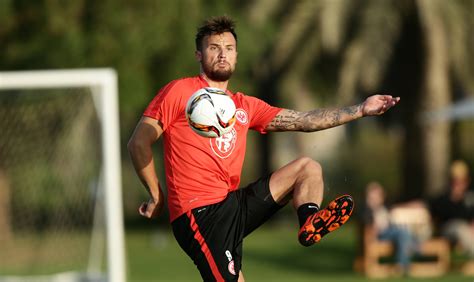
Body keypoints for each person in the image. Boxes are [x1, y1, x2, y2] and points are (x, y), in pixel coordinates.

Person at [127, 15, 400, 282]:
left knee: (308, 167)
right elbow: (139, 142)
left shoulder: (244, 106)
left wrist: (361, 110)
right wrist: (156, 196)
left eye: (229, 48)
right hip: (200, 217)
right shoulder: (179, 92)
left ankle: (308, 221)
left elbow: (304, 120)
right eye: (214, 48)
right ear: (199, 54)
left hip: (231, 204)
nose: (223, 54)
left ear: (236, 55)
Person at [361, 181, 419, 275]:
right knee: (403, 233)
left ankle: (405, 261)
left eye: (379, 195)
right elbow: (368, 224)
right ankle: (404, 264)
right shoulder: (367, 209)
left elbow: (398, 208)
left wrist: (414, 204)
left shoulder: (385, 207)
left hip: (392, 233)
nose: (377, 197)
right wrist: (372, 207)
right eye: (374, 195)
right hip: (381, 234)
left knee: (404, 233)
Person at [429, 160, 474, 259]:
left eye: (462, 181)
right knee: (460, 229)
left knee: (465, 230)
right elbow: (438, 218)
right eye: (456, 181)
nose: (459, 184)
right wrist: (454, 198)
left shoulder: (470, 198)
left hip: (468, 230)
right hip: (449, 230)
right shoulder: (443, 198)